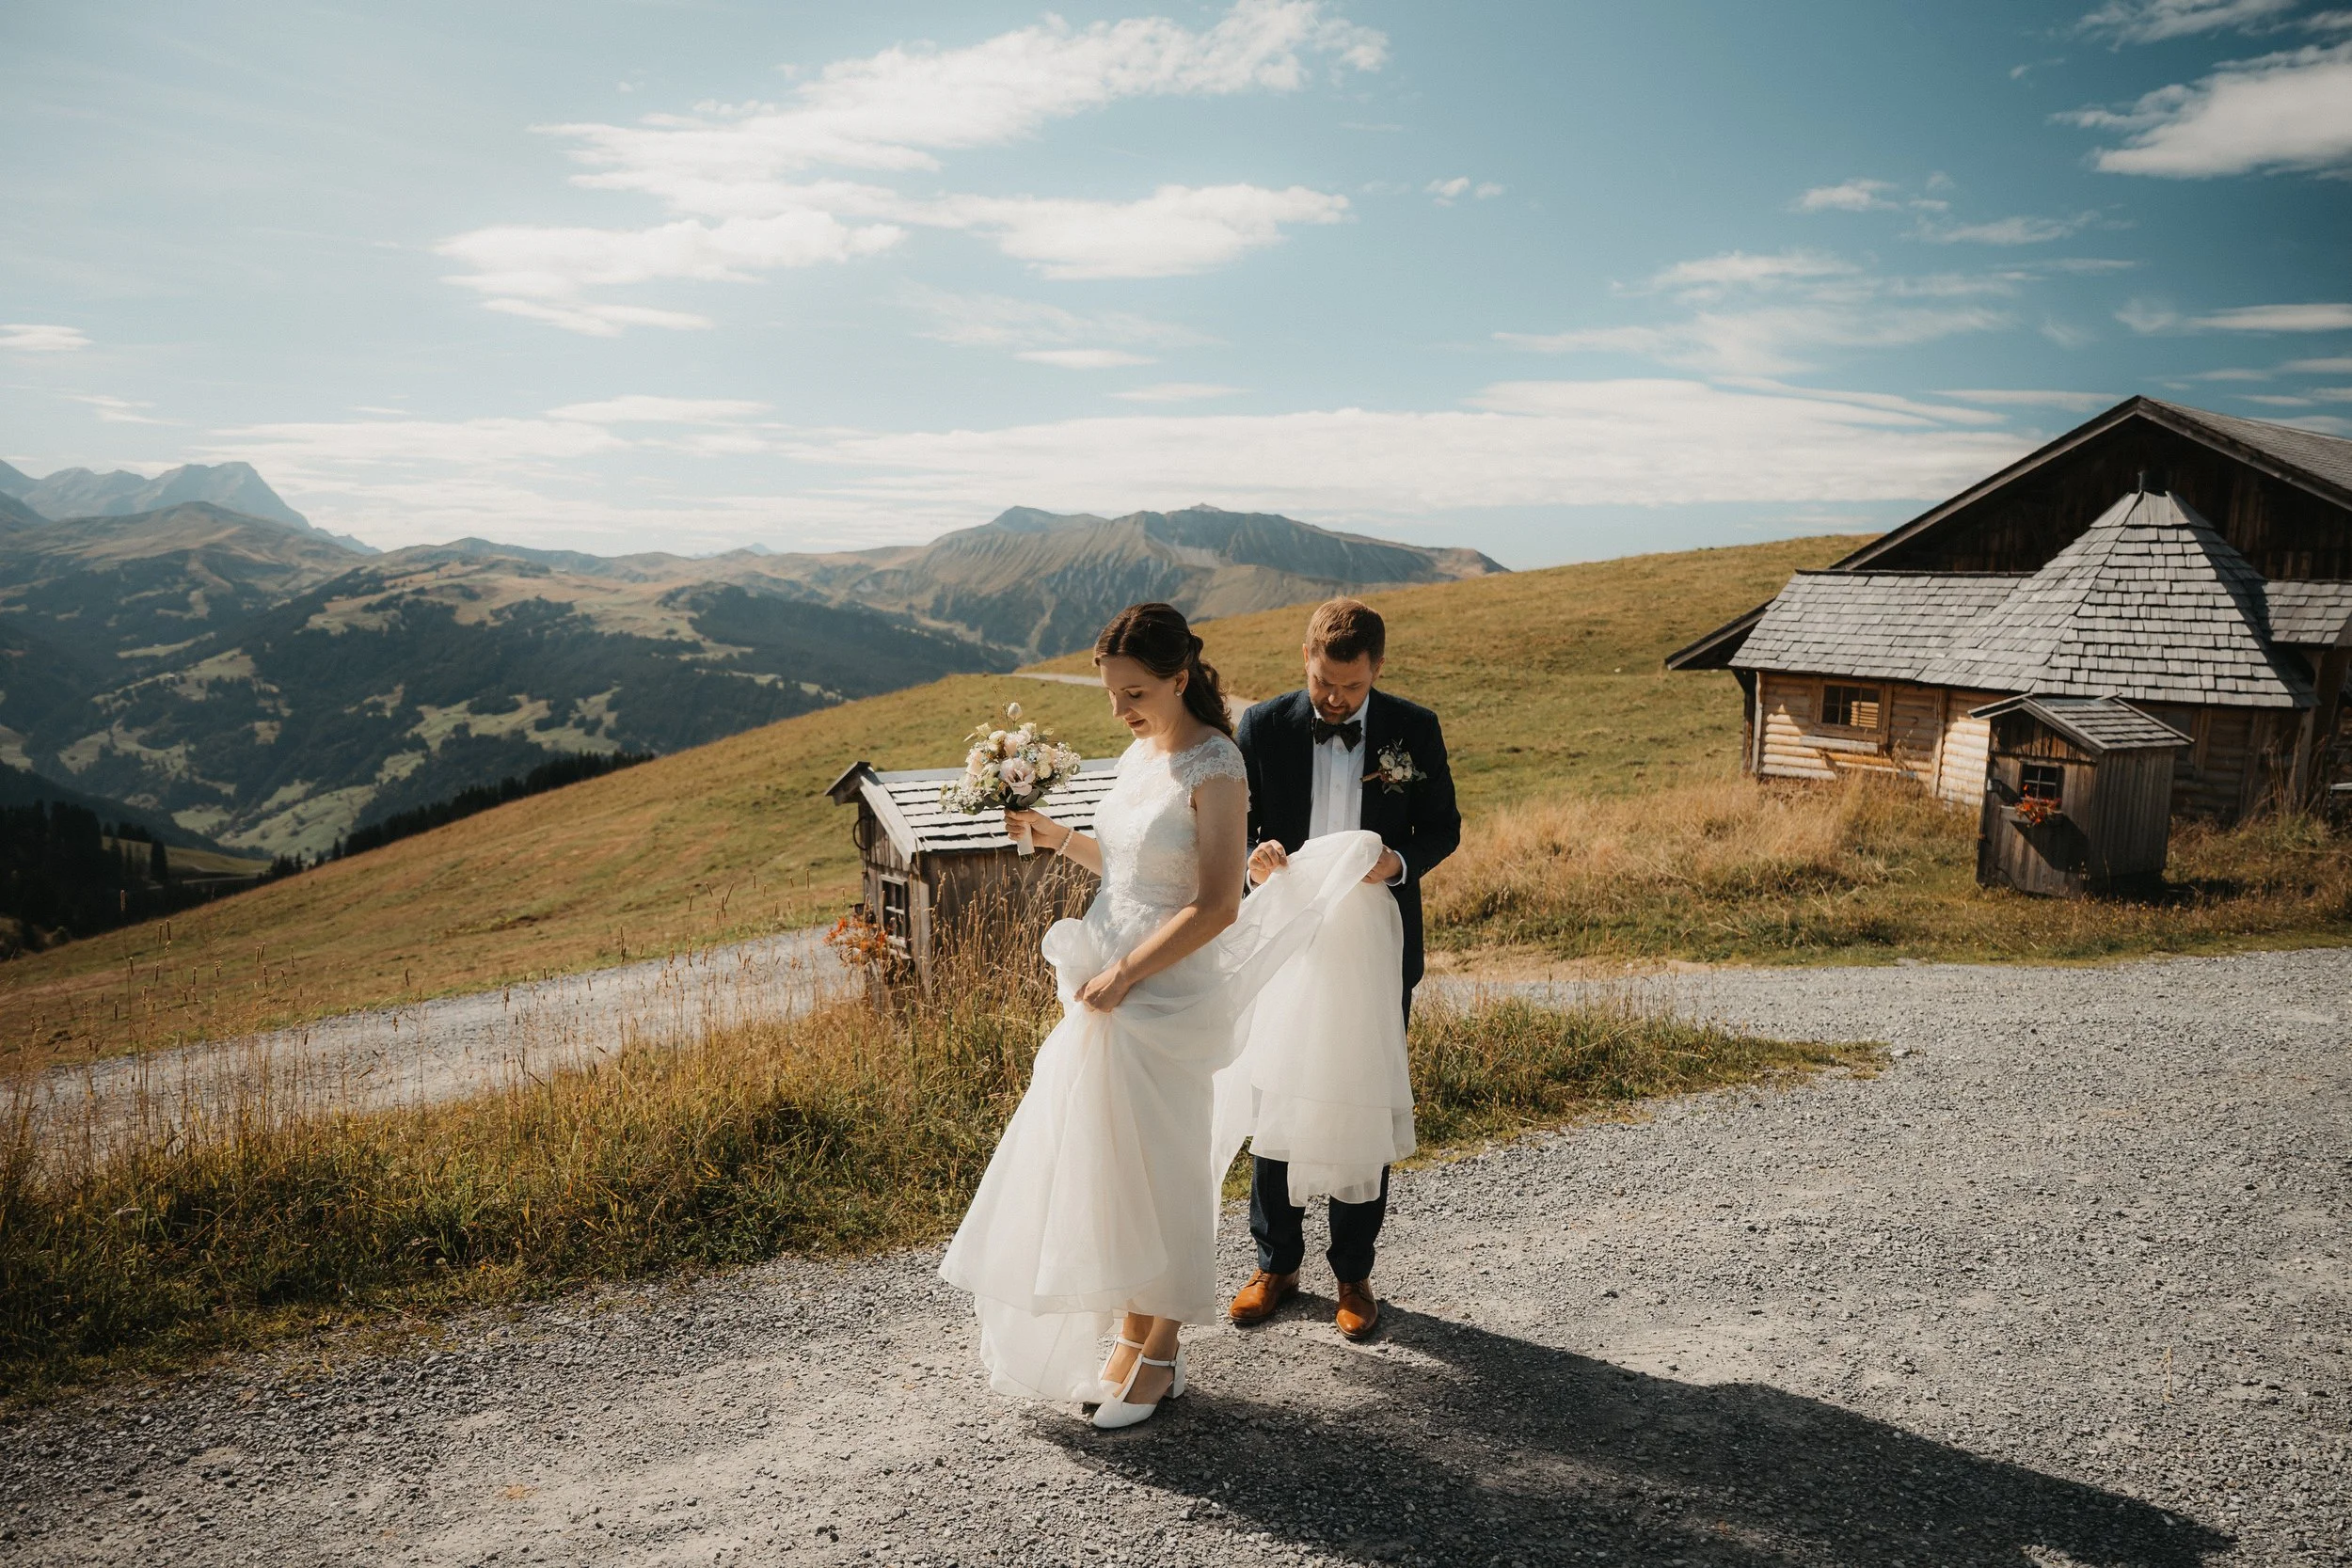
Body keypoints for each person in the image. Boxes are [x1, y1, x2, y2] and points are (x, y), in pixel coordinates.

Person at [940, 602, 1386, 1429]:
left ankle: (1165, 1351)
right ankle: (1126, 1333)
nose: (1121, 709)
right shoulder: (1140, 753)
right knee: (1111, 1164)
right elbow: (1127, 863)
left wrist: (1126, 973)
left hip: (1166, 989)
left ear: (1181, 678)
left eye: (1135, 691)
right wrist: (1053, 836)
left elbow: (1216, 902)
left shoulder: (1218, 765)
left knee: (1166, 1165)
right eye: (1112, 693)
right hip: (1104, 982)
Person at [1226, 597, 1460, 1341]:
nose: (1333, 698)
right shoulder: (1263, 725)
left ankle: (1353, 1274)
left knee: (1360, 1101)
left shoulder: (1413, 728)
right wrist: (1252, 859)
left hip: (1373, 944)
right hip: (1286, 941)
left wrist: (1396, 862)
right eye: (1324, 682)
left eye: (1350, 688)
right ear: (1305, 658)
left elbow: (1443, 827)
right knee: (1276, 1099)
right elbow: (1233, 828)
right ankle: (1275, 1264)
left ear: (1377, 670)